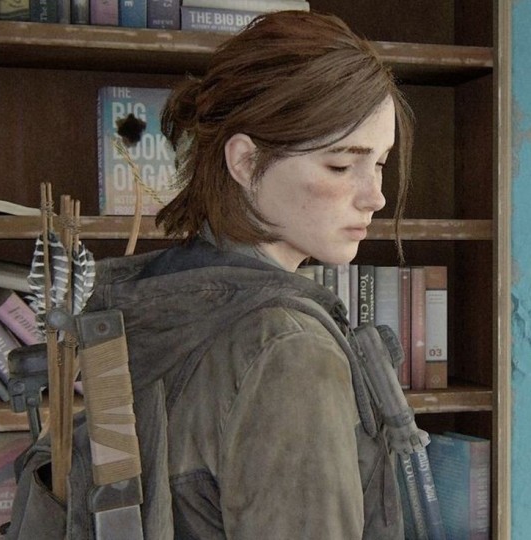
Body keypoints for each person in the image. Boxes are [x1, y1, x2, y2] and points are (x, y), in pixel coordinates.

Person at [91, 9, 414, 540]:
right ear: (245, 162)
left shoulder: (154, 296)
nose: (375, 196)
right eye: (341, 165)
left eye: (379, 163)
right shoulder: (288, 349)